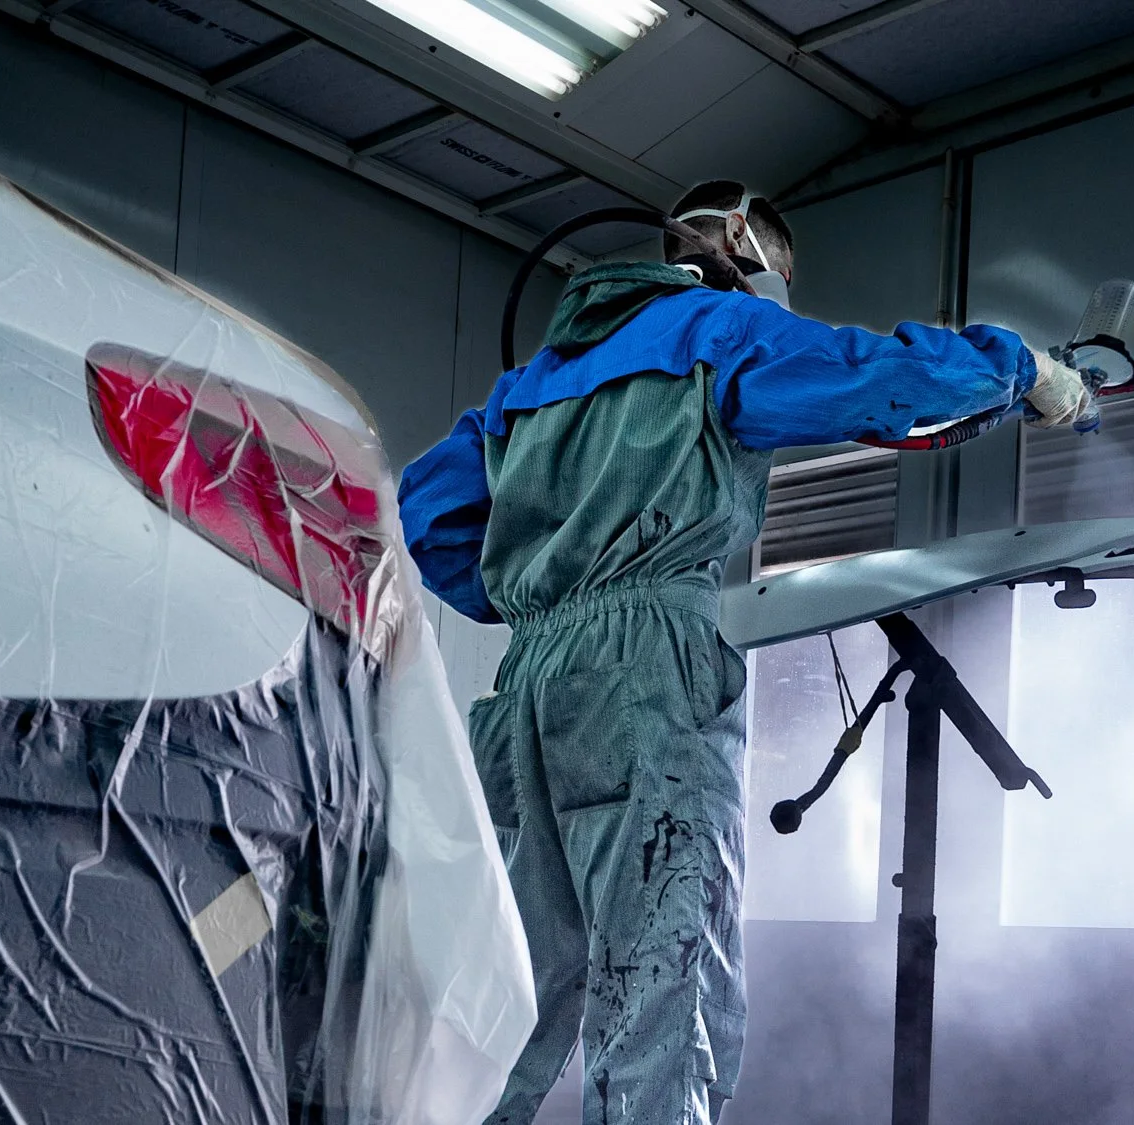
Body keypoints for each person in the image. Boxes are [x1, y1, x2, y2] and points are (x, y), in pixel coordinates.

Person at [396, 180, 1094, 1125]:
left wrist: (539, 591)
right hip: (648, 671)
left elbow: (431, 512)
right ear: (737, 237)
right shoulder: (718, 328)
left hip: (527, 683)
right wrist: (1027, 370)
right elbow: (880, 377)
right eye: (780, 276)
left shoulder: (526, 388)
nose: (780, 297)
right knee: (662, 980)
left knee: (507, 989)